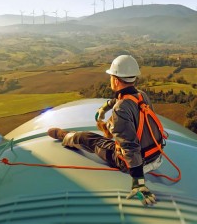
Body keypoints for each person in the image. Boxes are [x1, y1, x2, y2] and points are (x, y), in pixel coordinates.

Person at [47, 55, 165, 207]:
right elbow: (121, 99)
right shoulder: (141, 95)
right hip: (156, 156)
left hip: (136, 163)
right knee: (114, 133)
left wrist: (138, 183)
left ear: (115, 80)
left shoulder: (121, 109)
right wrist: (105, 107)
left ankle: (65, 136)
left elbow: (130, 146)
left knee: (89, 139)